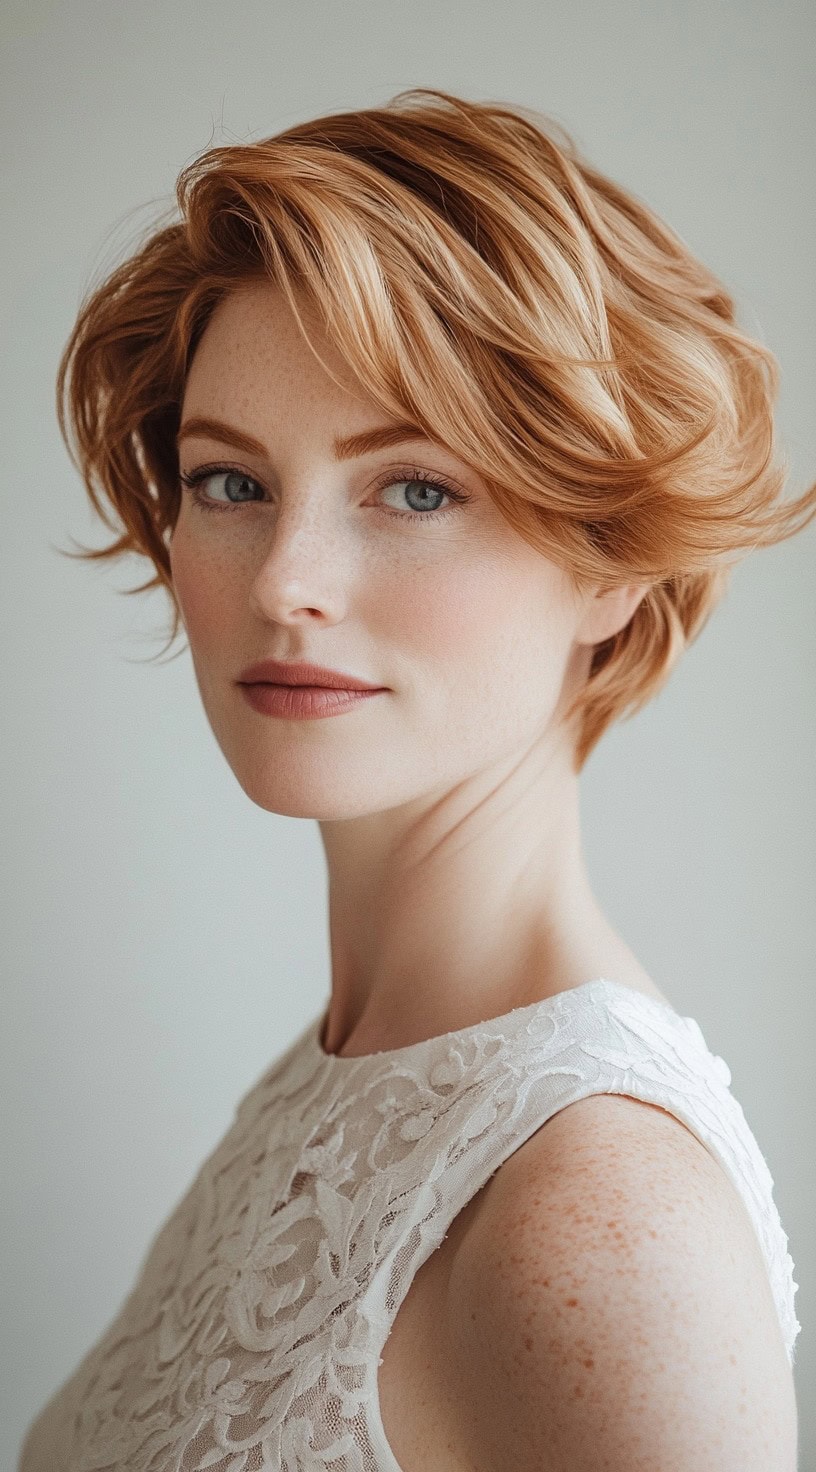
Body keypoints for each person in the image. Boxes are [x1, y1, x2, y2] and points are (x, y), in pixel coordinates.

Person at [20, 86, 813, 1471]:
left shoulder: (597, 1219)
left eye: (417, 490)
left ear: (614, 561)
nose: (285, 583)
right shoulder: (344, 1078)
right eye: (230, 483)